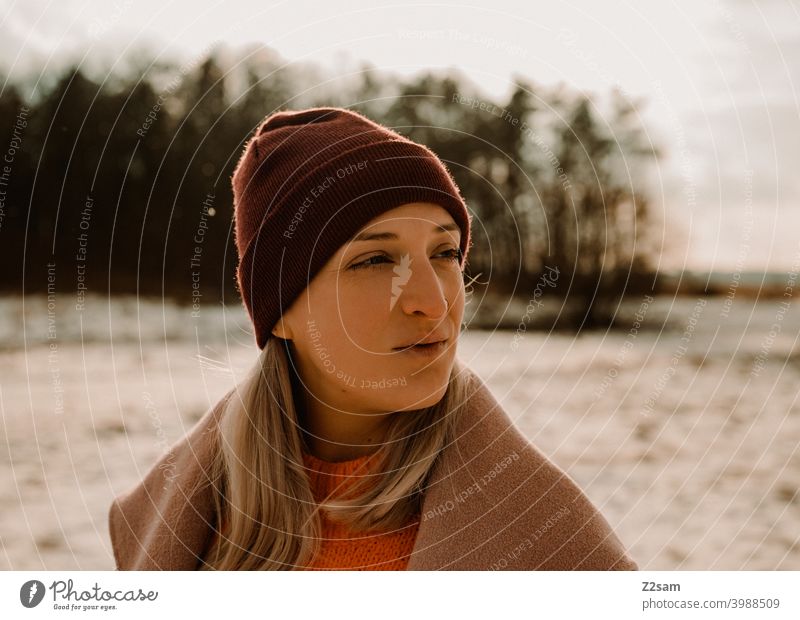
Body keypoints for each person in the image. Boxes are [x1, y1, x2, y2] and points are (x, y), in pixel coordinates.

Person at [108, 107, 638, 571]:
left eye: (445, 253)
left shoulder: (547, 547)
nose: (431, 302)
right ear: (281, 311)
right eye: (376, 259)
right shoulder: (188, 525)